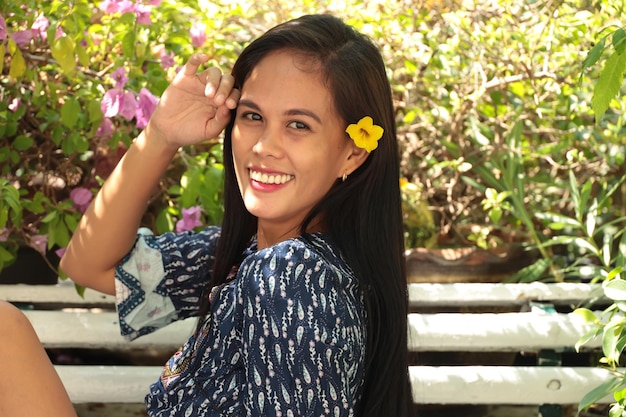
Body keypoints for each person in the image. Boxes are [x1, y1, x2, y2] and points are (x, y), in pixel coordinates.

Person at [2, 14, 412, 417]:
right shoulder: (248, 253)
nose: (264, 146)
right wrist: (162, 134)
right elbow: (87, 265)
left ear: (353, 152)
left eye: (299, 125)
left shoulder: (289, 277)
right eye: (253, 116)